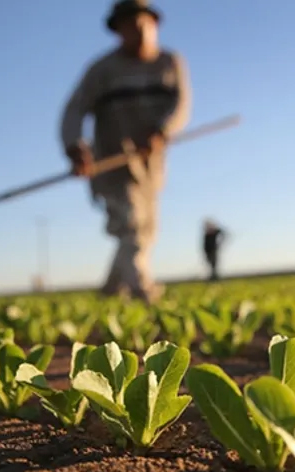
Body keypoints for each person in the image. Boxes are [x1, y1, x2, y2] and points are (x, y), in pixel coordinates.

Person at [59, 0, 191, 304]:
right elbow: (74, 110)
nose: (139, 31)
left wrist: (163, 131)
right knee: (131, 226)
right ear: (118, 31)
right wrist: (74, 146)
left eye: (144, 24)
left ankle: (110, 290)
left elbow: (181, 105)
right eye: (130, 25)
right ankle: (143, 291)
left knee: (145, 229)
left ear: (155, 25)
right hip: (112, 163)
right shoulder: (102, 70)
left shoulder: (170, 63)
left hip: (151, 166)